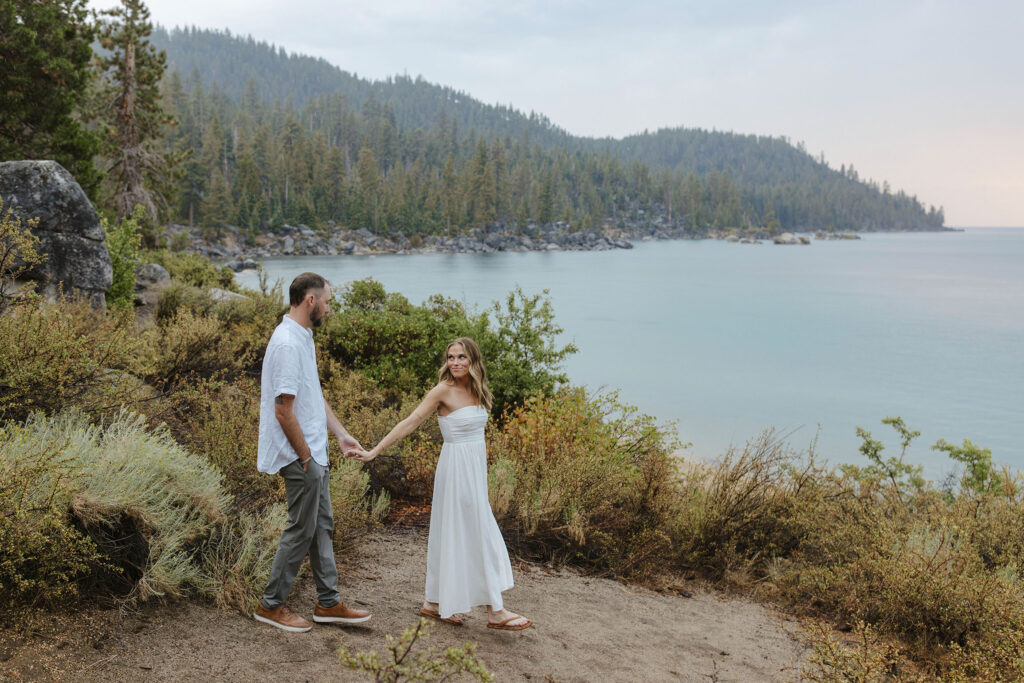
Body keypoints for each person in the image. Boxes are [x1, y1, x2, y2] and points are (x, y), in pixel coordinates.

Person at [348, 337, 532, 631]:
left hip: (474, 471)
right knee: (476, 531)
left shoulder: (478, 390)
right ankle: (495, 610)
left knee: (457, 532)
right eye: (451, 357)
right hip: (455, 470)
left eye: (461, 357)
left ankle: (433, 603)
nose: (456, 362)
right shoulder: (442, 391)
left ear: (473, 360)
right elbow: (410, 421)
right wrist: (374, 452)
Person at [253, 272, 372, 633]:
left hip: (314, 451)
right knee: (301, 529)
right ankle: (271, 605)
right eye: (328, 301)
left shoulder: (302, 337)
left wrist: (340, 435)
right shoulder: (288, 343)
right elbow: (283, 410)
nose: (330, 308)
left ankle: (328, 602)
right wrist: (305, 457)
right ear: (310, 301)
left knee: (321, 526)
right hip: (298, 454)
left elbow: (312, 397)